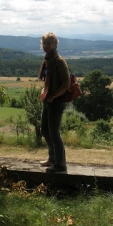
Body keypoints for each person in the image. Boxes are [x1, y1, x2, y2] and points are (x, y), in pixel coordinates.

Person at [38, 32, 71, 173]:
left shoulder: (59, 61)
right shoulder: (47, 60)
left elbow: (67, 84)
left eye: (49, 43)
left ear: (55, 44)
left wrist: (54, 96)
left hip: (56, 102)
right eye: (44, 43)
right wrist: (45, 92)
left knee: (54, 133)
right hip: (48, 100)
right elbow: (47, 80)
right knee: (45, 130)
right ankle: (52, 158)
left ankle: (60, 164)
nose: (46, 46)